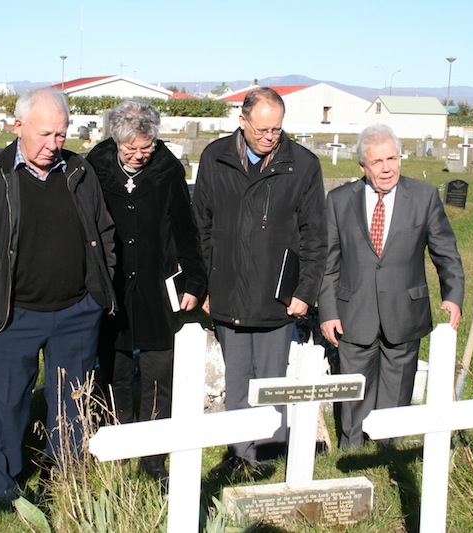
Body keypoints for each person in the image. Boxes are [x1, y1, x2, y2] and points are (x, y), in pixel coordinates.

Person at [0, 87, 117, 502]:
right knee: (5, 406)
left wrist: (97, 294)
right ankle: (4, 490)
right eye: (44, 134)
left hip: (77, 312)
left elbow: (104, 233)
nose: (53, 144)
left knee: (73, 407)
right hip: (11, 314)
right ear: (17, 125)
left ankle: (65, 480)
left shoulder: (79, 171)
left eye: (60, 134)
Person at [192, 87, 326, 472]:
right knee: (237, 383)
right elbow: (201, 227)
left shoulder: (302, 165)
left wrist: (305, 291)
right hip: (228, 291)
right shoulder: (215, 157)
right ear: (242, 121)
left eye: (276, 130)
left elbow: (315, 234)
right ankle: (239, 456)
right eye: (262, 129)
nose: (269, 137)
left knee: (270, 384)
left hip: (276, 296)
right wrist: (204, 286)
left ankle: (267, 457)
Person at [319, 124, 464, 449]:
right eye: (378, 162)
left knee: (397, 388)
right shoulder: (339, 201)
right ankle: (352, 450)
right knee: (354, 388)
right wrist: (328, 311)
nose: (387, 168)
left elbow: (445, 251)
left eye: (392, 159)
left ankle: (387, 449)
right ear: (363, 166)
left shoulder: (424, 196)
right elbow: (329, 263)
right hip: (353, 313)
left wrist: (453, 295)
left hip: (405, 311)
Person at [86, 99, 206, 486]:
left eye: (146, 146)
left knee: (157, 375)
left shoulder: (167, 170)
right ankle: (119, 448)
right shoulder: (95, 168)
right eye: (130, 148)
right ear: (115, 141)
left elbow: (185, 227)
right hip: (113, 287)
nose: (139, 155)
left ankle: (153, 458)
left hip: (157, 285)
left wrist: (194, 281)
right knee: (115, 372)